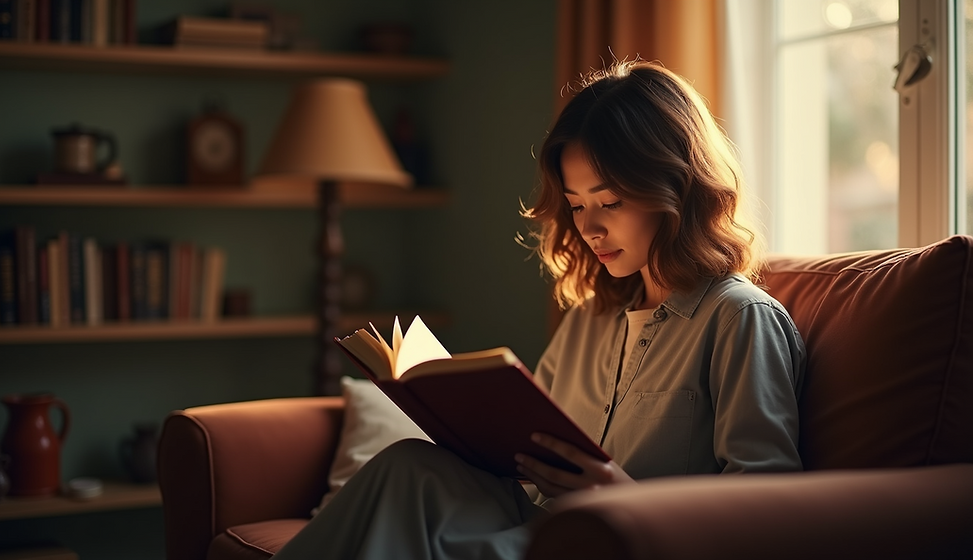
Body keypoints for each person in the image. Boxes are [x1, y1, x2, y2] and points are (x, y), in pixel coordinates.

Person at [271, 59, 805, 560]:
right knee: (408, 464)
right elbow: (526, 461)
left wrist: (625, 495)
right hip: (538, 522)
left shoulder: (738, 319)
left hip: (624, 542)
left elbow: (767, 504)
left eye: (610, 201)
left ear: (677, 187)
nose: (590, 227)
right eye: (576, 206)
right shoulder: (590, 320)